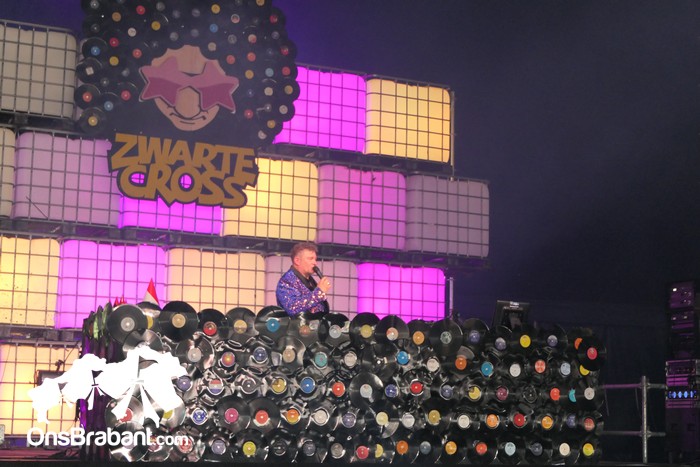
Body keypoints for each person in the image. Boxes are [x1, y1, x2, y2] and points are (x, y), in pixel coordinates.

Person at [276, 242, 331, 316]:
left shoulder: (310, 281)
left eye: (315, 259)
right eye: (310, 259)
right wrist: (319, 293)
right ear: (297, 261)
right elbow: (293, 308)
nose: (315, 263)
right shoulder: (286, 281)